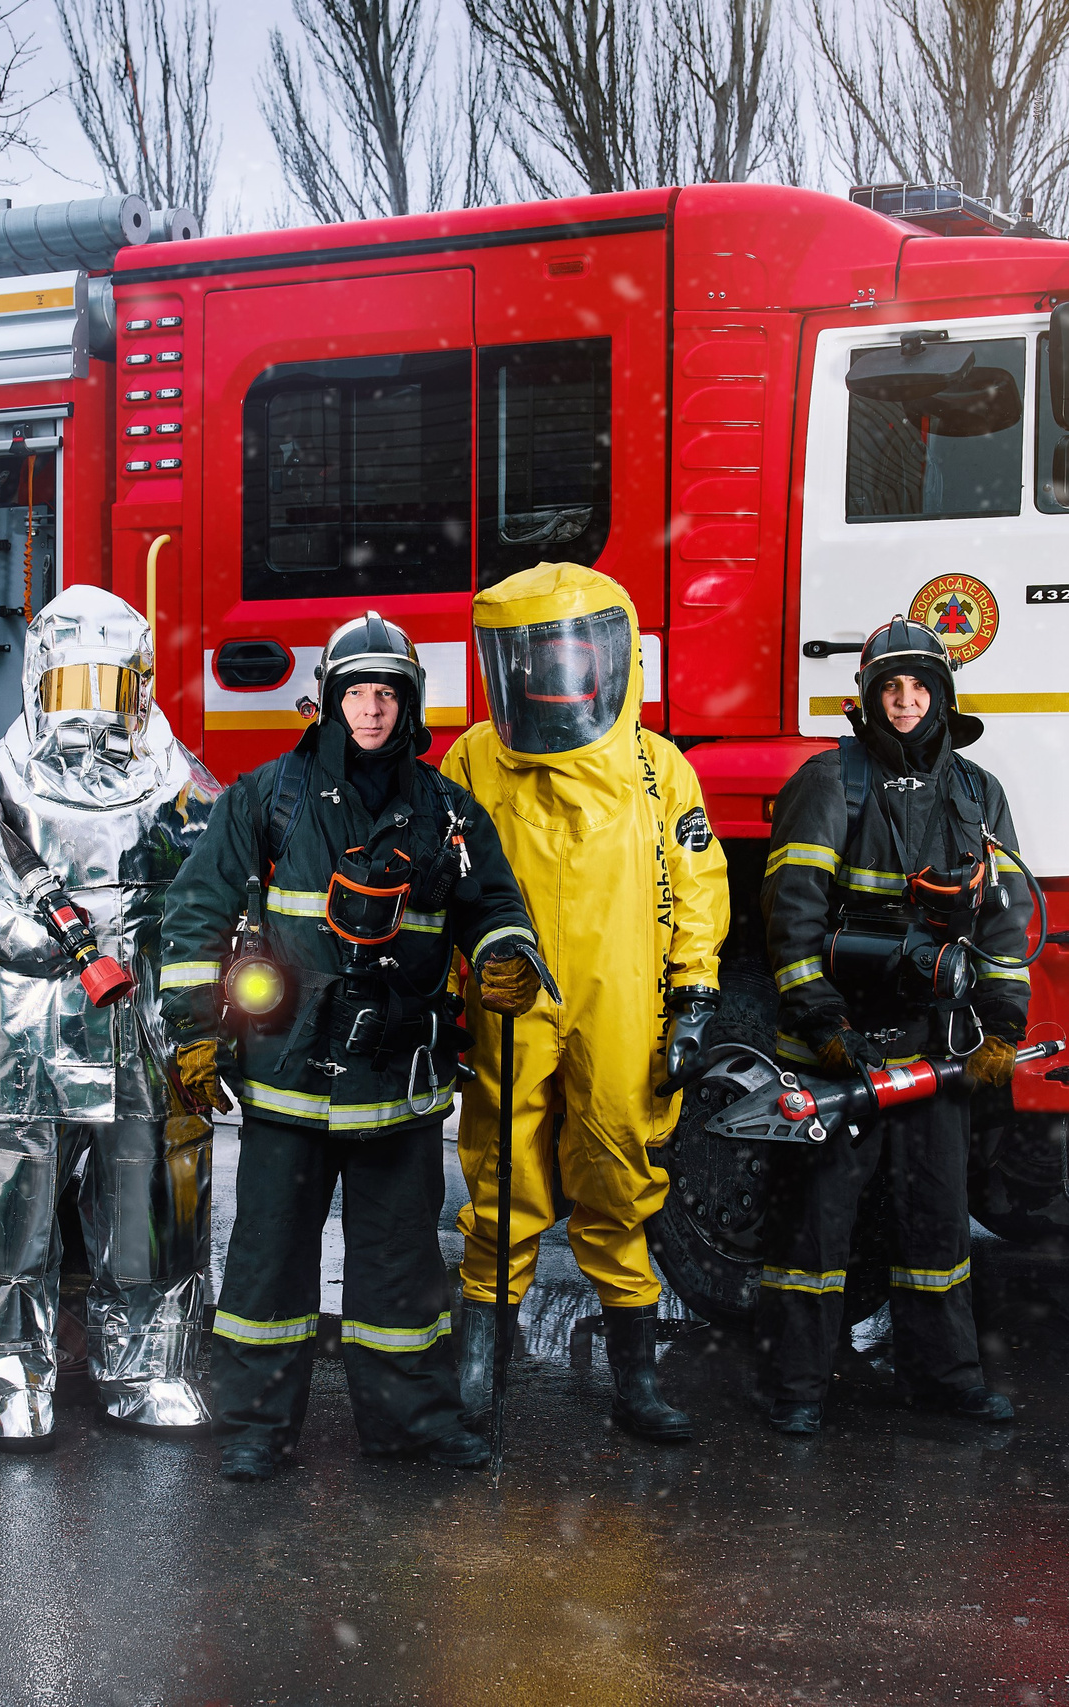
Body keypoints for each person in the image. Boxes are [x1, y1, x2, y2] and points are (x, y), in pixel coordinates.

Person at [158, 612, 547, 1483]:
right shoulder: (269, 796)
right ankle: (257, 1426)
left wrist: (504, 958)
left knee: (402, 1271)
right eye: (355, 693)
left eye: (386, 693)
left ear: (408, 704)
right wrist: (193, 1032)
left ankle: (410, 1424)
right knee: (266, 1262)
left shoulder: (449, 810)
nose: (370, 710)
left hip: (400, 1080)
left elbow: (495, 905)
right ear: (327, 701)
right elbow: (194, 915)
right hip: (289, 1079)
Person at [0, 586, 223, 1452]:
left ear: (143, 686)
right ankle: (13, 1374)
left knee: (152, 1205)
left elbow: (226, 883)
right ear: (40, 682)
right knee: (10, 1212)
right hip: (21, 1039)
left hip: (140, 1037)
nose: (91, 706)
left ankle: (147, 1369)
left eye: (111, 684)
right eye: (75, 682)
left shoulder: (179, 781)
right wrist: (27, 939)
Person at [442, 563, 731, 1444]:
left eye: (568, 656)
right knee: (503, 1172)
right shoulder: (473, 761)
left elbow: (697, 885)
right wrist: (454, 990)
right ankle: (479, 1379)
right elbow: (441, 882)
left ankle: (635, 1382)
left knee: (619, 1169)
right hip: (512, 999)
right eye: (533, 657)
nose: (553, 678)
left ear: (606, 656)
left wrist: (695, 998)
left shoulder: (656, 768)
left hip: (620, 1003)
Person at [755, 615, 1035, 1435]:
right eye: (892, 689)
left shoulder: (979, 793)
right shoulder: (829, 782)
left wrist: (1003, 1025)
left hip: (935, 1039)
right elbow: (791, 910)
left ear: (941, 696)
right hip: (837, 1040)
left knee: (937, 1216)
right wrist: (821, 1018)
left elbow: (1006, 922)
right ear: (869, 698)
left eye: (920, 688)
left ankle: (941, 1375)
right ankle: (795, 1384)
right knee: (815, 1218)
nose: (906, 702)